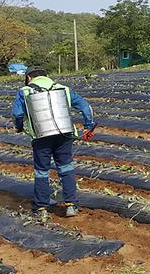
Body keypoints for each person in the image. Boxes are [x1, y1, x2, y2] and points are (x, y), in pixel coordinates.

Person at [11, 67, 96, 218]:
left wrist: (19, 127)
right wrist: (89, 126)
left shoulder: (24, 91)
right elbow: (85, 106)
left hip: (41, 136)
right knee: (66, 168)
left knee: (42, 171)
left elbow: (17, 114)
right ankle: (71, 206)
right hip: (64, 134)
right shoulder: (63, 88)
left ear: (29, 77)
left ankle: (41, 208)